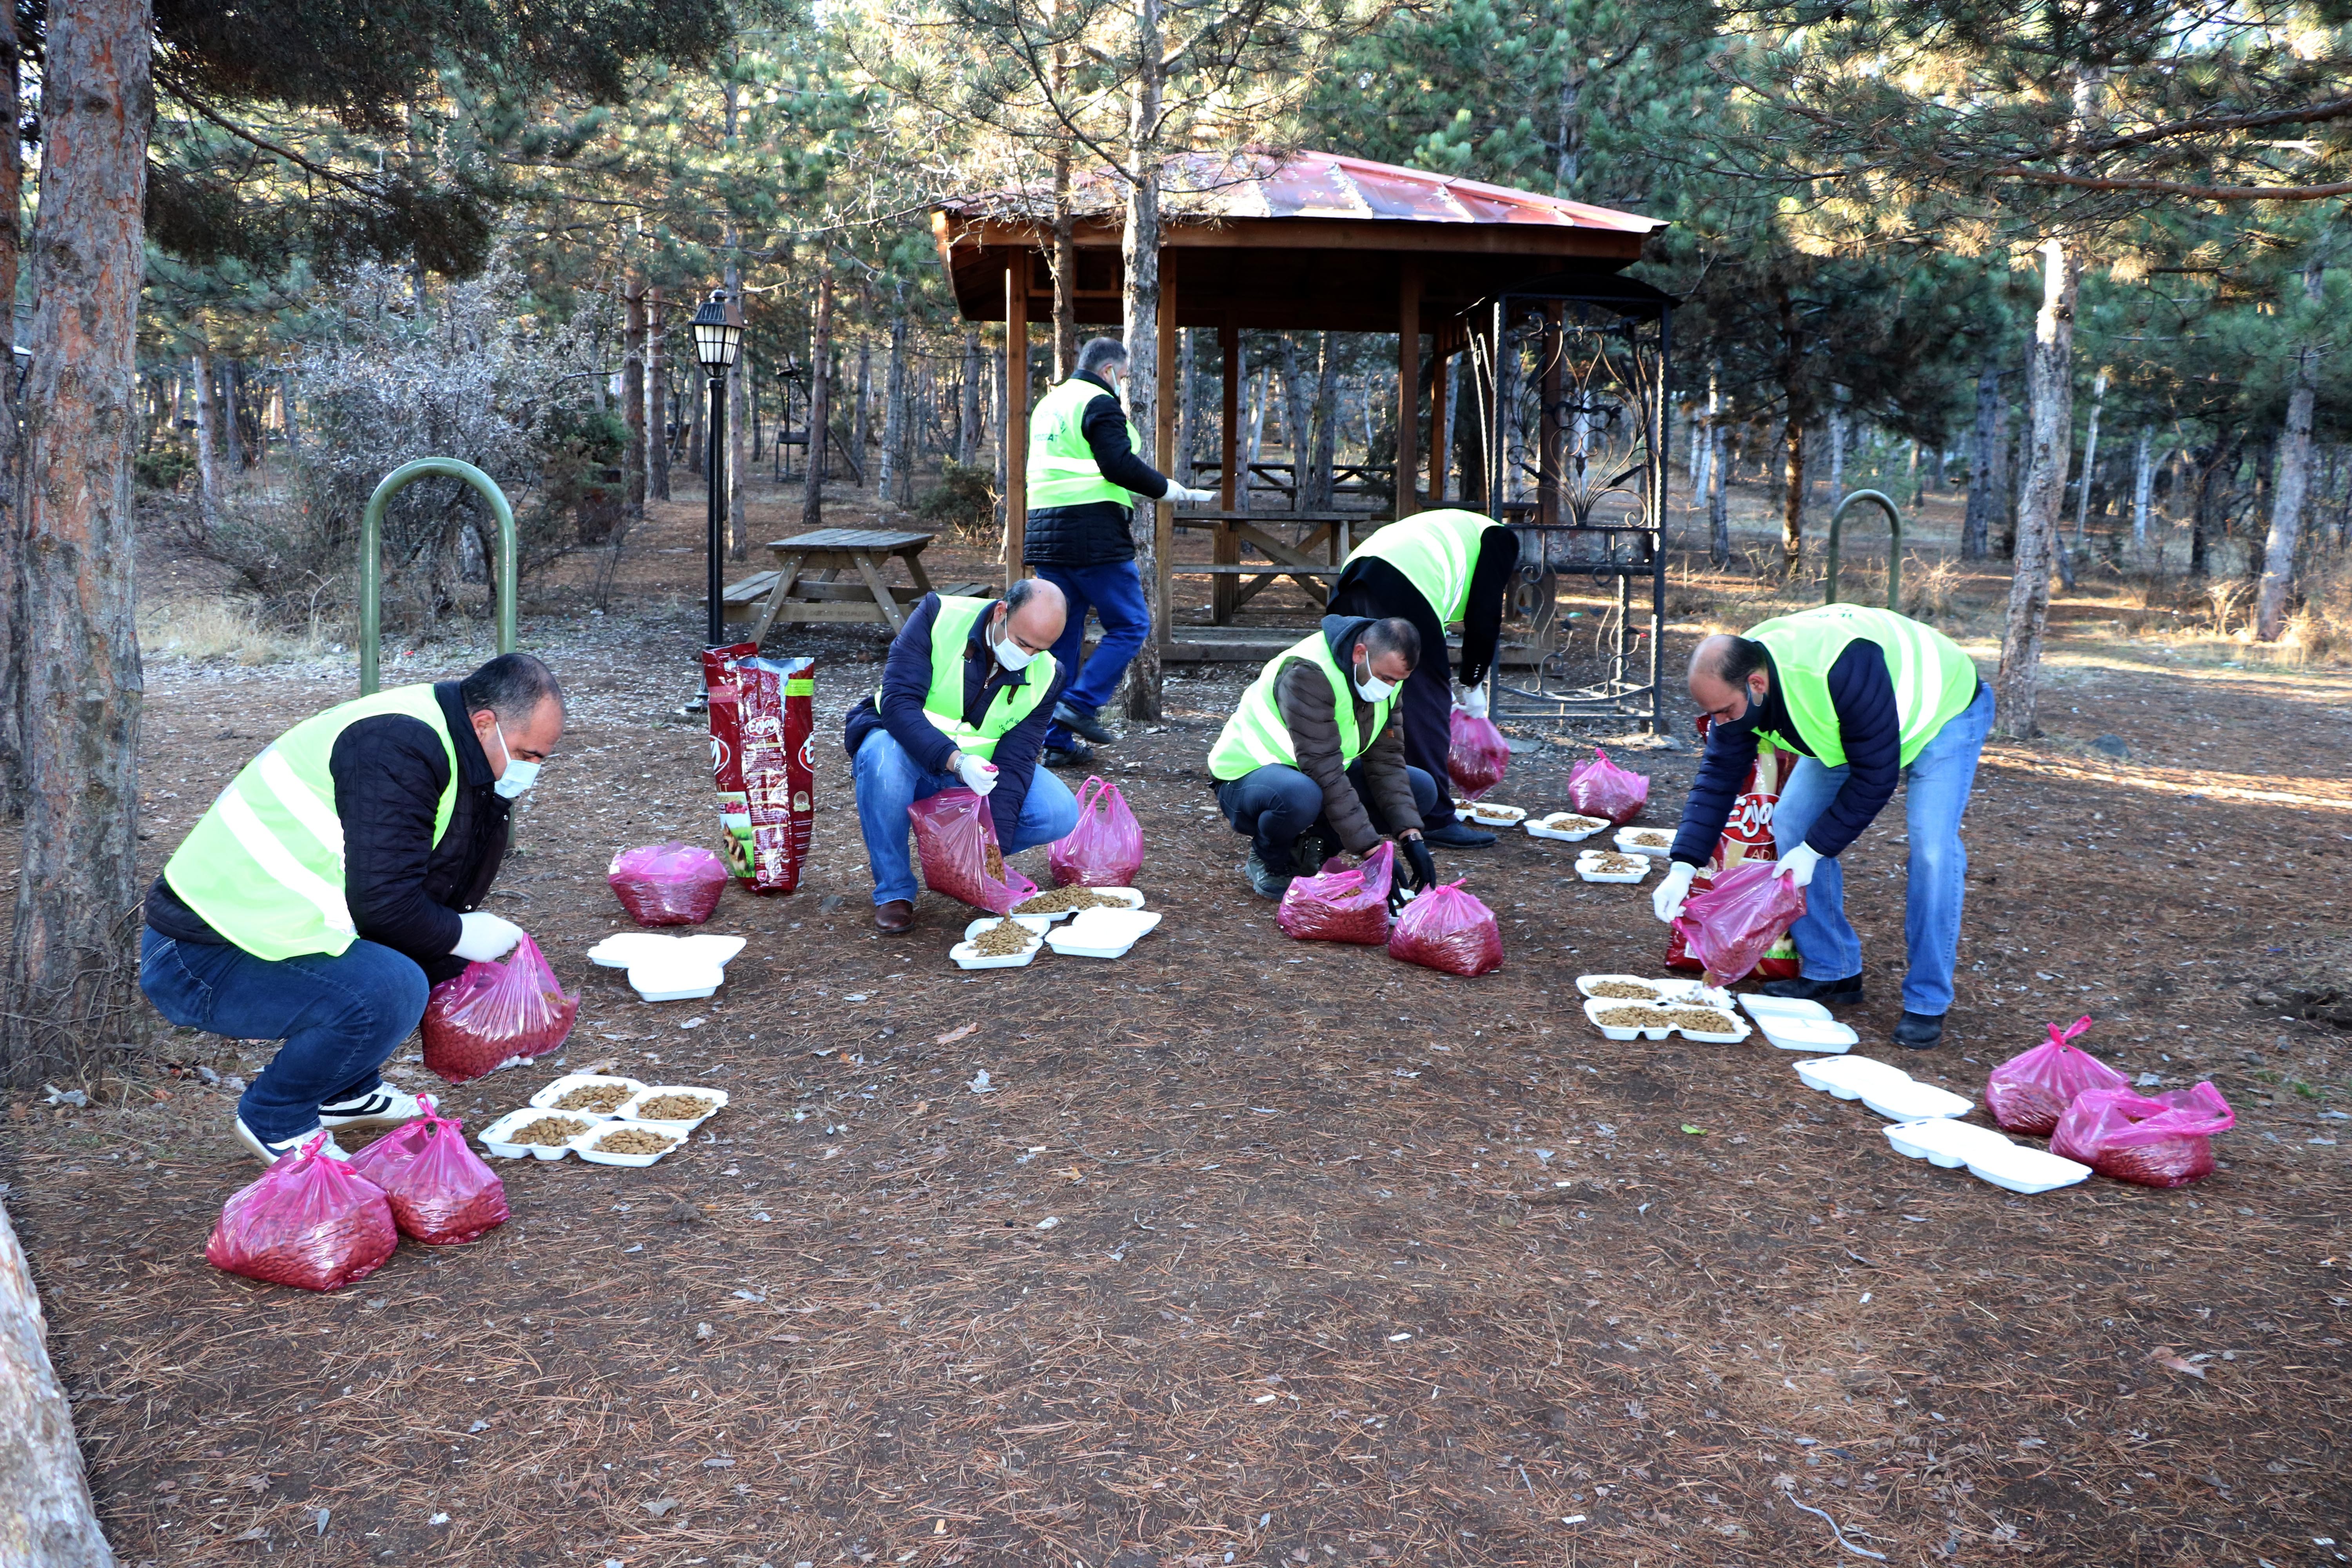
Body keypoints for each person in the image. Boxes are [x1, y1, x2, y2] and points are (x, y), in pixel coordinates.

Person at [140, 653, 563, 1162]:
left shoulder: (451, 742)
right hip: (201, 952)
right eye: (526, 753)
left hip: (271, 929)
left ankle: (348, 1093)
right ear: (485, 723)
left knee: (417, 955)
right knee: (389, 987)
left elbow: (427, 881)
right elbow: (387, 905)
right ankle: (275, 1117)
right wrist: (459, 934)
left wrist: (451, 937)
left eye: (540, 758)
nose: (530, 770)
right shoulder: (395, 747)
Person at [1649, 605, 1993, 1049]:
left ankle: (1927, 1000)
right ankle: (1835, 971)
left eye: (1726, 712)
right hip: (1850, 726)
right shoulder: (1736, 690)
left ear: (1758, 685)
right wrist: (1683, 865)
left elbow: (1876, 777)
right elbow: (1717, 779)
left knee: (1932, 849)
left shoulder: (1837, 668)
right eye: (1712, 713)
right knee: (1792, 820)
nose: (1721, 723)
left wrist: (1813, 852)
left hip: (1943, 712)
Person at [845, 580, 1082, 934]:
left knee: (1059, 811)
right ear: (1002, 612)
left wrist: (988, 856)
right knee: (881, 756)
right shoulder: (937, 616)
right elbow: (898, 704)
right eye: (1022, 643)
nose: (1029, 657)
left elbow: (1017, 762)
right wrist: (955, 760)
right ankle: (895, 891)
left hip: (978, 777)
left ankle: (953, 858)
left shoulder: (1048, 673)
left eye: (1041, 649)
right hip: (911, 754)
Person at [1023, 335, 1215, 770]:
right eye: (1124, 376)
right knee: (1131, 624)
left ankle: (1055, 741)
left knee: (1061, 640)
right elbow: (1117, 465)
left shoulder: (1049, 405)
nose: (1122, 383)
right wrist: (1170, 491)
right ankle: (1080, 704)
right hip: (1094, 536)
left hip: (1046, 535)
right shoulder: (1099, 402)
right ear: (1109, 371)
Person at [1207, 614, 1441, 900]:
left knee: (1422, 789)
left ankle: (1312, 847)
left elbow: (1387, 761)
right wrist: (1374, 852)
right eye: (1386, 679)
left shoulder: (1382, 676)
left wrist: (1411, 837)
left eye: (1399, 681)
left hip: (1312, 775)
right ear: (1360, 654)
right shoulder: (1308, 672)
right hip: (1248, 776)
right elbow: (1323, 768)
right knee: (1300, 796)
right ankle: (1268, 857)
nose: (1391, 688)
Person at [1327, 508, 1522, 848]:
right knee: (1425, 703)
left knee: (1359, 688)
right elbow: (1485, 614)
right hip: (1405, 582)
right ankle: (1434, 818)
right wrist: (1473, 681)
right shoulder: (1501, 538)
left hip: (1355, 574)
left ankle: (1350, 796)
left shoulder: (1457, 530)